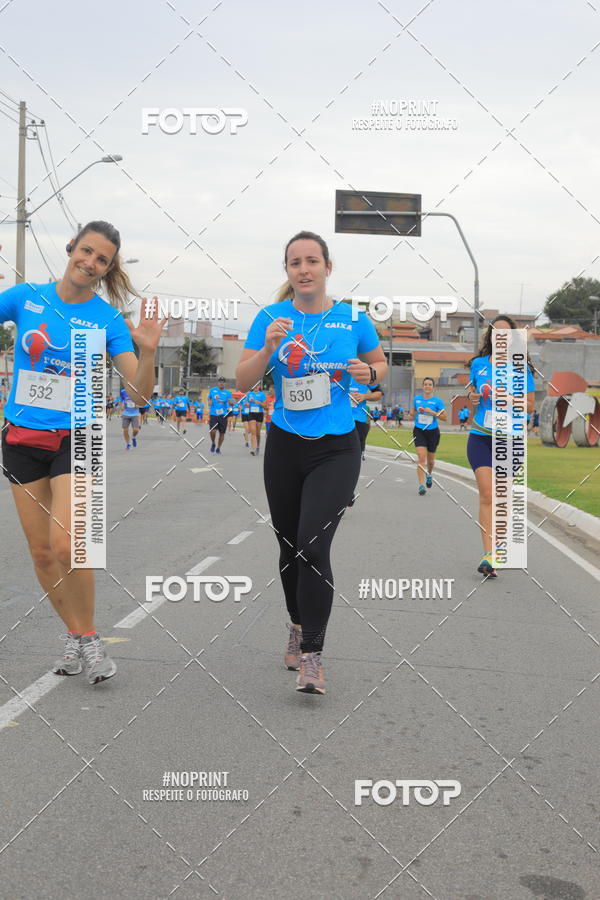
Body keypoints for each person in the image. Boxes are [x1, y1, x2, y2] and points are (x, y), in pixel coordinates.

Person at [0, 221, 165, 683]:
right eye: (86, 251)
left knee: (68, 544)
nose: (90, 263)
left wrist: (148, 352)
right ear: (71, 247)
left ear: (108, 269)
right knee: (41, 553)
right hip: (22, 438)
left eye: (101, 260)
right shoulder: (25, 297)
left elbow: (139, 395)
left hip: (78, 437)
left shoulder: (107, 320)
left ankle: (90, 640)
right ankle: (75, 634)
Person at [236, 230, 386, 695]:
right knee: (288, 548)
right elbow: (242, 379)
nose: (304, 269)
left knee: (312, 547)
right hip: (285, 445)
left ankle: (313, 656)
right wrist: (267, 349)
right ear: (288, 270)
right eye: (295, 262)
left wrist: (369, 373)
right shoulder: (271, 318)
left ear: (327, 267)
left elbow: (380, 368)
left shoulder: (353, 319)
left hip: (337, 446)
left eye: (312, 261)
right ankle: (297, 626)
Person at [466, 315, 535, 577]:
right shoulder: (479, 364)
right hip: (481, 436)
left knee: (502, 498)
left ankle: (497, 549)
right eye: (497, 332)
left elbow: (530, 407)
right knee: (487, 494)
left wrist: (507, 397)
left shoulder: (521, 368)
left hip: (511, 440)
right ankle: (488, 555)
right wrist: (473, 397)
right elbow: (474, 396)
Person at [347, 376, 383, 504]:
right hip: (338, 421)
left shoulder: (363, 374)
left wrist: (364, 396)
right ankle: (343, 490)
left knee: (353, 460)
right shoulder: (335, 370)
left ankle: (348, 490)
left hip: (358, 422)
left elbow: (379, 393)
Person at [407, 377, 446, 495]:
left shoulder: (438, 401)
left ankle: (429, 474)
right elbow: (412, 412)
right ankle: (421, 485)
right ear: (422, 386)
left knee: (431, 460)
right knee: (421, 457)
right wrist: (411, 415)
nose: (427, 386)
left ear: (433, 387)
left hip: (433, 432)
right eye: (425, 384)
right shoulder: (416, 399)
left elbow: (445, 417)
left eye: (430, 384)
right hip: (419, 431)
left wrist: (432, 412)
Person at [208, 376, 233, 454]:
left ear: (225, 383)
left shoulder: (228, 393)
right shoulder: (213, 390)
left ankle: (218, 448)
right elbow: (209, 397)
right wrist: (209, 401)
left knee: (222, 433)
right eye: (220, 382)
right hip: (213, 414)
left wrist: (231, 402)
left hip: (223, 415)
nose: (221, 383)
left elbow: (231, 402)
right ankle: (213, 443)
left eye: (223, 382)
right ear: (218, 383)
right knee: (212, 431)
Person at [247, 384, 267, 456]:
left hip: (259, 414)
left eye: (257, 385)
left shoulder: (262, 394)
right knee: (253, 431)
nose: (256, 387)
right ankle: (253, 448)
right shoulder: (249, 394)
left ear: (259, 386)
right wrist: (247, 404)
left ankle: (257, 447)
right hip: (251, 414)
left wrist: (259, 402)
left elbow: (265, 406)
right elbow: (247, 403)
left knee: (258, 433)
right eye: (254, 385)